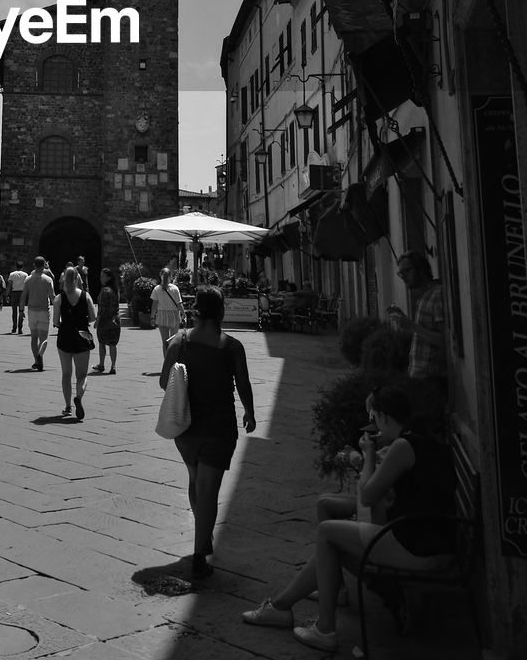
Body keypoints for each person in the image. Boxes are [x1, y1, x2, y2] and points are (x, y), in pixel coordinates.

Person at [242, 384, 455, 652]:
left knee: (327, 533)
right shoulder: (419, 438)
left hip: (418, 546)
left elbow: (366, 495)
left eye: (373, 419)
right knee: (332, 545)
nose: (372, 425)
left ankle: (323, 628)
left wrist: (366, 454)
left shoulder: (403, 446)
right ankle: (283, 607)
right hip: (432, 539)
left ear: (384, 417)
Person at [160, 286, 256, 579]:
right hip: (219, 427)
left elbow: (165, 381)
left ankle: (203, 536)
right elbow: (243, 384)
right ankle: (200, 552)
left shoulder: (180, 341)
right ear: (222, 310)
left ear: (197, 310)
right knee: (208, 490)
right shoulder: (231, 345)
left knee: (195, 480)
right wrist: (250, 412)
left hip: (187, 426)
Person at [386, 251, 446, 392]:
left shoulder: (437, 295)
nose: (404, 277)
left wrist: (412, 326)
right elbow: (425, 332)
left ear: (421, 269)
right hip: (419, 377)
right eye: (401, 273)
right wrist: (406, 320)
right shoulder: (424, 297)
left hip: (432, 379)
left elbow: (445, 341)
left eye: (407, 271)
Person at [53, 265, 96, 419]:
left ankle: (67, 406)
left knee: (66, 374)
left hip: (64, 336)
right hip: (82, 336)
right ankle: (78, 397)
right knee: (82, 375)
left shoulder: (59, 298)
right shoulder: (86, 296)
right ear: (78, 278)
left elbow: (56, 321)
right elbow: (92, 317)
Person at [20, 256, 54, 370]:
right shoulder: (48, 280)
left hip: (31, 311)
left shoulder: (28, 279)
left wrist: (21, 310)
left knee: (34, 338)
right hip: (44, 311)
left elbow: (23, 296)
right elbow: (52, 297)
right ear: (44, 265)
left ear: (34, 265)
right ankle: (40, 355)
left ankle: (36, 360)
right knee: (43, 339)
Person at [150, 267, 186, 357]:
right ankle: (173, 361)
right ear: (171, 276)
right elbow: (179, 303)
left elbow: (154, 304)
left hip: (161, 314)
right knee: (174, 341)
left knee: (165, 341)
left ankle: (166, 362)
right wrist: (184, 314)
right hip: (174, 315)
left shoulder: (157, 289)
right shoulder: (175, 288)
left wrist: (152, 317)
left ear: (160, 276)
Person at [93, 267, 121, 374]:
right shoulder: (116, 290)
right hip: (116, 319)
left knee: (102, 342)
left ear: (108, 278)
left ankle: (101, 364)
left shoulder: (105, 291)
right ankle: (113, 366)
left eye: (103, 276)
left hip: (105, 319)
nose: (101, 278)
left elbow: (102, 308)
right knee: (113, 343)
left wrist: (97, 320)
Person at [7, 261, 29, 333]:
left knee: (14, 311)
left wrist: (7, 294)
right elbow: (27, 285)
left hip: (14, 293)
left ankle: (14, 327)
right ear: (22, 267)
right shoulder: (25, 275)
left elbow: (10, 284)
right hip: (22, 293)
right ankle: (20, 328)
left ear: (16, 266)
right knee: (21, 311)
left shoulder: (12, 274)